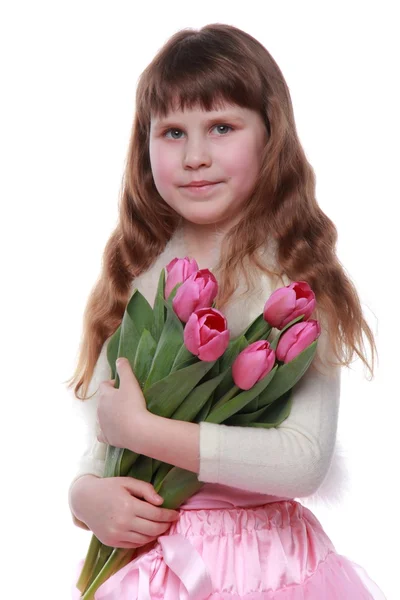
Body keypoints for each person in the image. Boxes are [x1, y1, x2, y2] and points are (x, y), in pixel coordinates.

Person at [67, 23, 386, 599]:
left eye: (221, 128)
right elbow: (108, 428)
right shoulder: (139, 274)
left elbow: (303, 461)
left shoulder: (294, 278)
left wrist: (146, 431)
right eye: (171, 132)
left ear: (271, 136)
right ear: (144, 147)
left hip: (263, 566)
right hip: (155, 569)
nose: (194, 157)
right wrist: (85, 495)